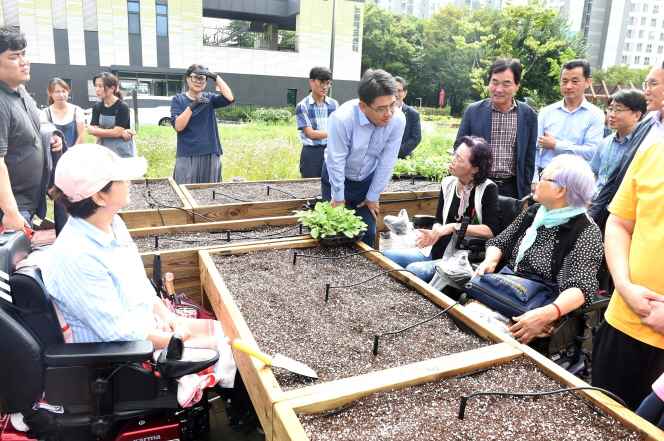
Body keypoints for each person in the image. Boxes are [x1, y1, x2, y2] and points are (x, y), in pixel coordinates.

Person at [42, 144, 261, 434]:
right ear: (99, 195)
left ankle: (243, 414)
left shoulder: (112, 224)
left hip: (143, 327)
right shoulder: (76, 256)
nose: (130, 182)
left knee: (234, 335)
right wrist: (175, 337)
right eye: (121, 178)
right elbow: (118, 334)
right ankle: (251, 418)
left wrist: (168, 316)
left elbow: (137, 282)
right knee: (231, 346)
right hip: (121, 363)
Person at [474, 154, 603, 345]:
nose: (536, 182)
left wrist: (547, 314)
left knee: (483, 332)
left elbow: (581, 287)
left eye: (543, 178)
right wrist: (490, 260)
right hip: (510, 287)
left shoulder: (586, 231)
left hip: (543, 305)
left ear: (560, 190)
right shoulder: (535, 212)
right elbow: (500, 242)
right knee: (465, 317)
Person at [591, 136, 664, 411]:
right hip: (624, 319)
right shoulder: (652, 151)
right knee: (605, 417)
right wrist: (622, 285)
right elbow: (620, 223)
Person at [383, 136, 499, 282]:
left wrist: (453, 227)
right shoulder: (448, 183)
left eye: (460, 159)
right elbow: (439, 220)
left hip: (459, 258)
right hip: (436, 250)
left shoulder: (487, 189)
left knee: (413, 270)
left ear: (475, 169)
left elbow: (491, 231)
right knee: (386, 256)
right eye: (455, 155)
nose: (453, 161)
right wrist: (433, 234)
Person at [322, 68, 406, 248]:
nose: (389, 113)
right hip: (337, 176)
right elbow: (336, 160)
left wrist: (373, 195)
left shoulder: (398, 119)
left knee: (368, 231)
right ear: (363, 106)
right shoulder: (343, 119)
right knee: (332, 231)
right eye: (382, 108)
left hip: (365, 179)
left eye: (393, 104)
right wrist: (337, 196)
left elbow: (387, 160)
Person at [588, 63, 664, 231]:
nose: (647, 91)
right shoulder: (647, 126)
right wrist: (594, 211)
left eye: (653, 84)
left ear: (636, 115)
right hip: (624, 216)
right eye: (646, 84)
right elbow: (618, 174)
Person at [0, 26, 62, 231]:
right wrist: (10, 213)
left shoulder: (20, 91)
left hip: (27, 203)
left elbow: (38, 123)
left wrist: (51, 135)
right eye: (14, 56)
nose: (24, 61)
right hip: (9, 210)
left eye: (24, 54)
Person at [454, 58, 537, 199]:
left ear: (517, 86)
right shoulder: (473, 111)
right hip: (478, 186)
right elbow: (459, 147)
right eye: (495, 82)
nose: (499, 89)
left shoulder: (528, 115)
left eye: (506, 84)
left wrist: (524, 191)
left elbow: (529, 157)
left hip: (512, 189)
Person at [534, 59, 605, 188]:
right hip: (545, 176)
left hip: (575, 180)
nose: (568, 86)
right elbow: (534, 149)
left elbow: (592, 151)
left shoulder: (595, 115)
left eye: (575, 81)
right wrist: (534, 180)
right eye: (564, 81)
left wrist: (556, 145)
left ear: (587, 83)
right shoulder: (547, 112)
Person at [171, 64, 234, 185]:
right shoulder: (178, 99)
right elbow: (178, 126)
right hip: (187, 153)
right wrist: (192, 106)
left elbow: (230, 98)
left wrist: (216, 77)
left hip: (210, 151)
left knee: (209, 191)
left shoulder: (209, 98)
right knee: (184, 188)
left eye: (203, 78)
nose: (198, 81)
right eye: (195, 77)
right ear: (187, 78)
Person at [589, 89, 645, 199]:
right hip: (597, 204)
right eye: (610, 109)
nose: (611, 115)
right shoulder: (605, 143)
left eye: (618, 110)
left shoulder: (643, 146)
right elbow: (595, 174)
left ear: (637, 115)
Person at [295, 66, 339, 178]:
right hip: (312, 153)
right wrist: (334, 133)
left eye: (328, 83)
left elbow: (339, 129)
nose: (325, 87)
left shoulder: (334, 105)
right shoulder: (303, 106)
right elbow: (311, 134)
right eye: (321, 83)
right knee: (310, 188)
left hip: (331, 150)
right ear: (311, 82)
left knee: (332, 187)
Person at [87, 72, 136, 158]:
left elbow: (95, 130)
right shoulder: (97, 107)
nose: (97, 89)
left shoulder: (122, 107)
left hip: (120, 148)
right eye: (95, 85)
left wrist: (116, 133)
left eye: (100, 86)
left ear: (112, 88)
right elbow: (94, 128)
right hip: (103, 147)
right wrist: (118, 133)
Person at [41, 78, 84, 147]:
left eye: (64, 91)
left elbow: (81, 136)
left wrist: (72, 152)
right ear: (49, 93)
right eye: (57, 92)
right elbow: (44, 136)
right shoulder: (45, 113)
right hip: (54, 153)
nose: (61, 95)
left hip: (73, 152)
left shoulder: (76, 110)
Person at [394, 76, 421, 159]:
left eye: (399, 90)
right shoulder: (380, 111)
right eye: (392, 90)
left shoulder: (413, 114)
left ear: (405, 93)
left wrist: (395, 152)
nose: (395, 94)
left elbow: (416, 138)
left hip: (403, 156)